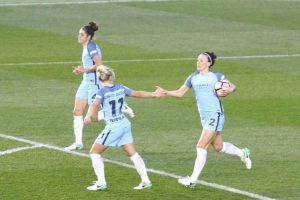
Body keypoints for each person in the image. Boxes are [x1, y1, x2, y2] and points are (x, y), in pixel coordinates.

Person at [157, 52, 252, 188]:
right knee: (219, 147)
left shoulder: (217, 76)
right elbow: (180, 92)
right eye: (197, 60)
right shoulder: (193, 77)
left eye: (201, 61)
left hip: (216, 114)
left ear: (209, 63)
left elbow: (233, 86)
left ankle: (192, 180)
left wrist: (229, 91)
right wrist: (165, 92)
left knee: (201, 146)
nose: (198, 62)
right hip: (204, 117)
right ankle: (242, 153)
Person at [84, 65, 163, 191]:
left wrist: (88, 116)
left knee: (94, 152)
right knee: (131, 153)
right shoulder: (121, 88)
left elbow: (94, 105)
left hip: (114, 127)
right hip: (124, 124)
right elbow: (138, 93)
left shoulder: (101, 92)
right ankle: (146, 181)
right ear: (111, 77)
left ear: (99, 79)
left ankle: (101, 183)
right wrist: (154, 94)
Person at [65, 22, 134, 151]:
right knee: (77, 111)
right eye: (79, 34)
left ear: (88, 37)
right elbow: (89, 63)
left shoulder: (91, 47)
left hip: (94, 83)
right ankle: (78, 143)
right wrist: (81, 70)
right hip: (86, 82)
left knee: (94, 118)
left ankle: (121, 108)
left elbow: (99, 64)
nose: (79, 36)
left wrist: (84, 70)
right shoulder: (87, 47)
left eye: (82, 34)